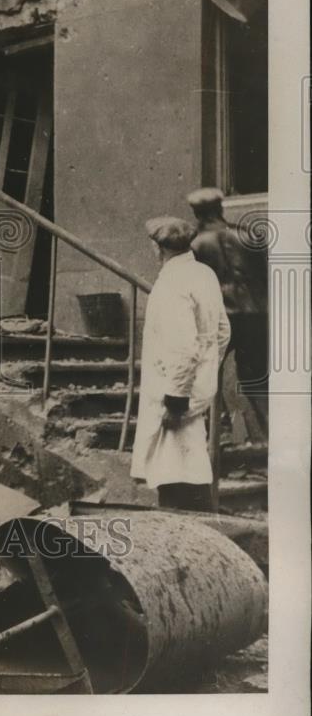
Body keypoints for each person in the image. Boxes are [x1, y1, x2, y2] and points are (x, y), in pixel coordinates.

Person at [131, 216, 230, 511]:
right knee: (191, 463)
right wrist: (207, 370)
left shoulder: (172, 284)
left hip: (175, 396)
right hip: (195, 389)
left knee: (172, 471)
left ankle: (184, 540)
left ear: (157, 247)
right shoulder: (203, 274)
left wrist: (175, 400)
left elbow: (183, 349)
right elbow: (223, 332)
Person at [186, 187, 269, 412]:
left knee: (204, 372)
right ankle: (270, 433)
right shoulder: (249, 234)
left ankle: (217, 428)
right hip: (257, 314)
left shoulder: (195, 245)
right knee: (256, 378)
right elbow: (265, 275)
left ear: (197, 213)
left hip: (221, 317)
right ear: (220, 208)